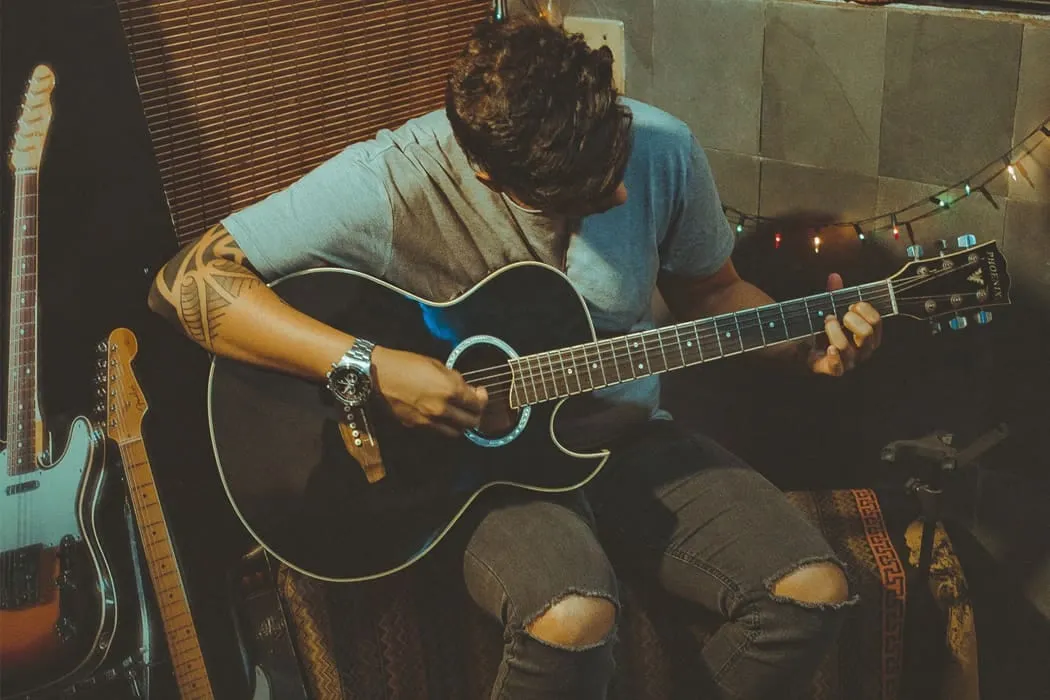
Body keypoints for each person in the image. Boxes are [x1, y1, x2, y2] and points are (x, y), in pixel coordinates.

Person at [148, 16, 882, 700]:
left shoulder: (662, 148)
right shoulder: (391, 180)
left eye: (617, 161)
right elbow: (184, 284)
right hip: (477, 473)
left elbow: (715, 293)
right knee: (573, 616)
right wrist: (368, 365)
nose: (622, 191)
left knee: (810, 593)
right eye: (585, 196)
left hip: (625, 435)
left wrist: (797, 341)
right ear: (489, 175)